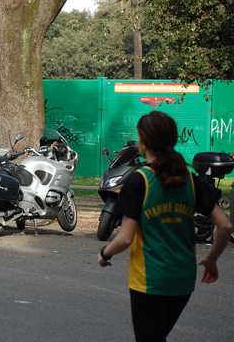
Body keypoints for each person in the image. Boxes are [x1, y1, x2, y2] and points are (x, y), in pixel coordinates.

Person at [98, 110, 232, 342]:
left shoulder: (139, 180)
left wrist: (104, 253)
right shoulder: (190, 179)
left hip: (150, 281)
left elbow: (125, 238)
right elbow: (226, 227)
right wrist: (211, 259)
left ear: (145, 141)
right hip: (183, 280)